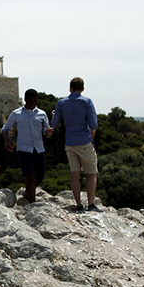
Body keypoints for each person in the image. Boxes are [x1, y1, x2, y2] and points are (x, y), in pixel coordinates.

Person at [51, 77, 103, 213]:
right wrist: (90, 138)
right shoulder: (87, 102)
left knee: (74, 175)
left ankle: (79, 205)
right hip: (84, 140)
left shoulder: (61, 103)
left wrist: (54, 115)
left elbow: (54, 124)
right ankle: (91, 204)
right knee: (91, 174)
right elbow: (93, 124)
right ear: (83, 89)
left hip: (70, 142)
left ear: (70, 88)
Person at [1, 89, 54, 203]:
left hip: (39, 148)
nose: (32, 103)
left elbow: (46, 130)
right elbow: (5, 129)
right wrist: (8, 141)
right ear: (25, 100)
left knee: (40, 176)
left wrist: (49, 133)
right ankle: (32, 202)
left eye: (35, 101)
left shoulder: (42, 114)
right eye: (30, 101)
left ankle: (27, 193)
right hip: (24, 149)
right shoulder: (16, 113)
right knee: (30, 176)